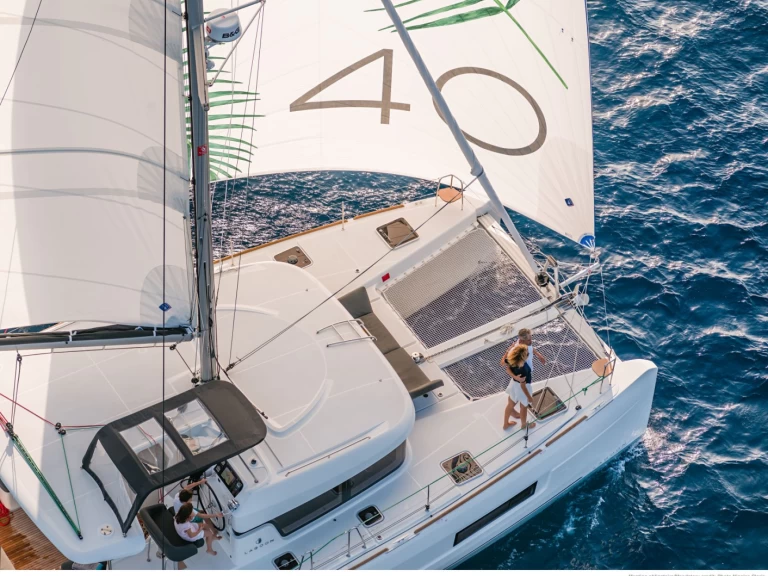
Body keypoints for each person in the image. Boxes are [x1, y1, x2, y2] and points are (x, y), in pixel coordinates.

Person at [501, 344, 536, 431]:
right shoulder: (524, 369)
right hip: (523, 388)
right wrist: (529, 397)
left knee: (510, 404)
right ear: (523, 358)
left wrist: (515, 377)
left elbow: (507, 369)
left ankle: (505, 424)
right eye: (527, 354)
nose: (528, 354)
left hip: (513, 385)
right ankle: (524, 425)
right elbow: (523, 386)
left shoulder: (512, 360)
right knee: (523, 407)